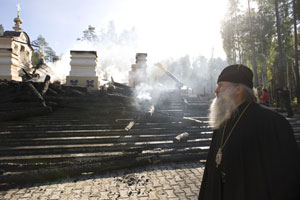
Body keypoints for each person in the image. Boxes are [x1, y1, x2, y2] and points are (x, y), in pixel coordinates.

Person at [198, 64, 300, 200]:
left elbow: (287, 177)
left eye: (221, 85)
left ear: (238, 89)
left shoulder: (272, 122)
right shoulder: (222, 123)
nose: (216, 90)